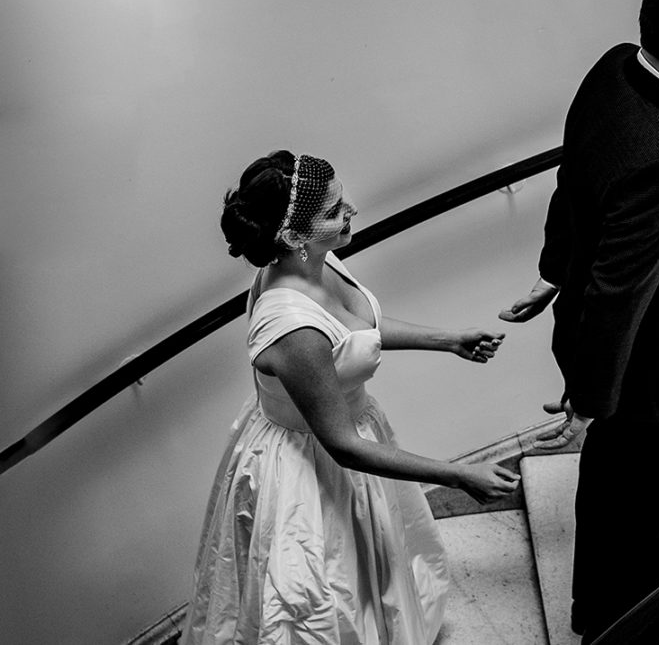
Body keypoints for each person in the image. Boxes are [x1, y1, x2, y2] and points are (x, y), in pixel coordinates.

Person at [181, 150, 521, 645]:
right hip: (311, 465)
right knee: (321, 595)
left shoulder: (314, 258)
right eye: (334, 210)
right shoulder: (291, 328)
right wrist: (459, 474)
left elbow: (360, 329)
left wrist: (447, 340)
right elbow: (342, 444)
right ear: (294, 235)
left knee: (371, 573)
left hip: (349, 437)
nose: (352, 210)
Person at [500, 0, 659, 640]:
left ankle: (599, 611)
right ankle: (628, 624)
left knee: (609, 490)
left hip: (629, 375)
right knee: (644, 512)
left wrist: (554, 271)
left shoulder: (612, 71)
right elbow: (619, 293)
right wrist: (587, 399)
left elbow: (574, 181)